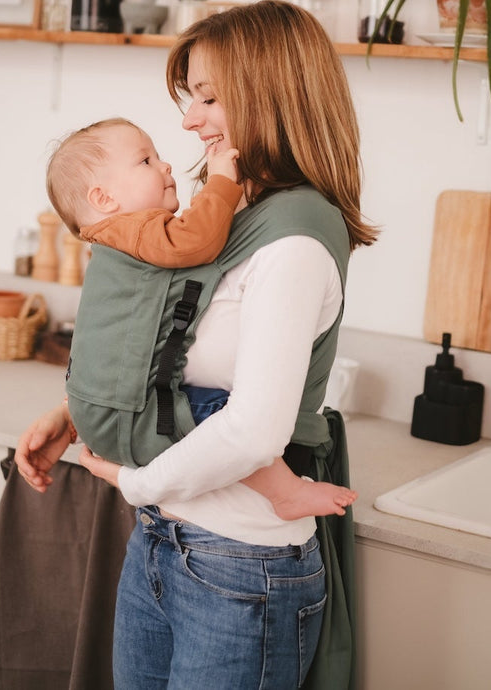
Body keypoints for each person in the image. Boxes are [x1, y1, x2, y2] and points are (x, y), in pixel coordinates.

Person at [15, 0, 377, 689]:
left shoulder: (294, 240)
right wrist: (84, 414)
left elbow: (253, 430)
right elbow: (169, 350)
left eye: (208, 98)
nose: (188, 121)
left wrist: (134, 480)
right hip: (163, 540)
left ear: (269, 97)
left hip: (242, 569)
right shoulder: (230, 215)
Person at [44, 115, 358, 520]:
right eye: (145, 161)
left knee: (217, 415)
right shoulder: (134, 231)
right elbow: (196, 240)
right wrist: (221, 183)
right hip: (130, 434)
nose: (165, 165)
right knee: (215, 414)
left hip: (109, 418)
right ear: (104, 199)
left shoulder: (125, 241)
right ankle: (285, 491)